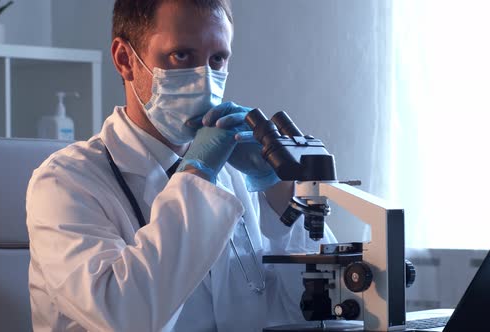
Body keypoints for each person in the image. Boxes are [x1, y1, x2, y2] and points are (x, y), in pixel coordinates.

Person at [26, 0, 336, 331]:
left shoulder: (236, 175)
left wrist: (279, 190)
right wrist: (196, 176)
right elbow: (125, 316)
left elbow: (318, 309)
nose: (205, 79)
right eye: (181, 55)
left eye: (217, 59)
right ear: (125, 60)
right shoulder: (64, 183)